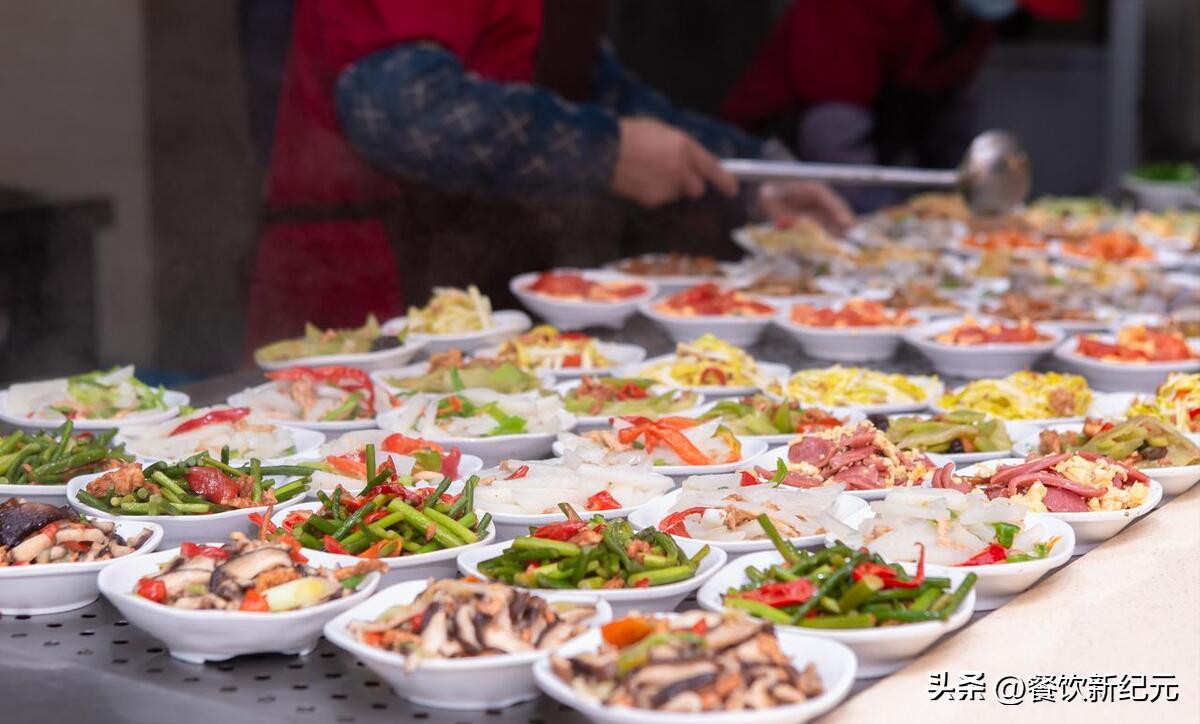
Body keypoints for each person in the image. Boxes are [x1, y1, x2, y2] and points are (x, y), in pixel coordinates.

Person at [246, 0, 852, 351]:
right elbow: (400, 107)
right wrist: (605, 152)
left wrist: (754, 178)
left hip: (492, 293)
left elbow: (596, 87)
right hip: (364, 296)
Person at [722, 0, 1081, 211]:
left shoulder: (970, 23)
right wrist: (884, 219)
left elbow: (949, 117)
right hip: (771, 155)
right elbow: (831, 133)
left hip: (862, 151)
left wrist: (960, 197)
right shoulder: (859, 8)